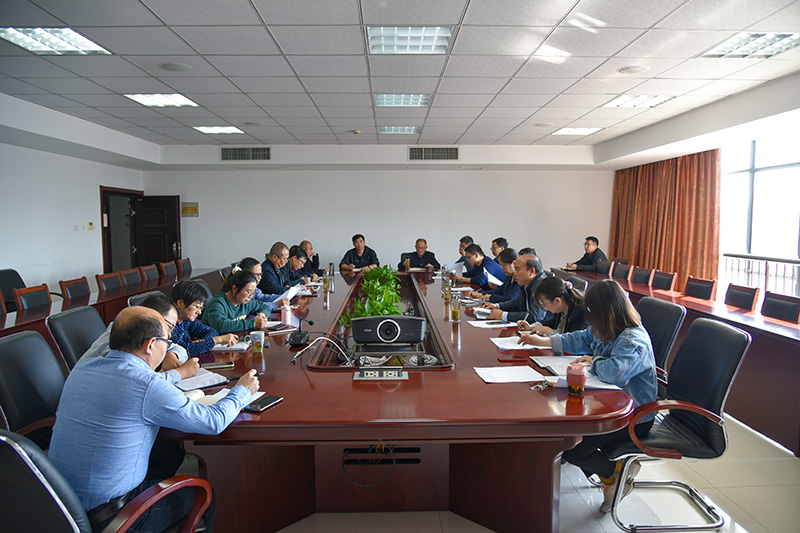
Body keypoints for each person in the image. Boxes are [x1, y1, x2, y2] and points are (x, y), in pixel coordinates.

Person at [49, 306, 260, 532]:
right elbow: (213, 422)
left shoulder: (83, 368)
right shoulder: (145, 383)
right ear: (150, 345)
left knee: (170, 452)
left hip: (60, 506)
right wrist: (242, 391)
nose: (167, 347)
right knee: (204, 493)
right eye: (166, 342)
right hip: (112, 517)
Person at [519, 280, 657, 513]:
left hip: (634, 416)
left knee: (573, 448)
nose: (591, 319)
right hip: (608, 404)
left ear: (607, 312)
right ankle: (612, 473)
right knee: (565, 435)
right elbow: (581, 338)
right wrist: (544, 341)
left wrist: (594, 360)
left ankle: (614, 475)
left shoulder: (633, 340)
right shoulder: (608, 328)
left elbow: (613, 372)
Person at [77, 293, 198, 384]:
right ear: (152, 317)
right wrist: (180, 373)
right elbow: (136, 382)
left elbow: (179, 348)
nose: (169, 335)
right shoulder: (122, 337)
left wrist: (172, 355)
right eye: (169, 327)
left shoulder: (142, 334)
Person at [170, 280, 238, 356]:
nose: (199, 312)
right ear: (180, 303)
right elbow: (186, 350)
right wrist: (218, 340)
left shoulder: (186, 321)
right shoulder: (170, 326)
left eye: (200, 308)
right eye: (196, 307)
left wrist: (204, 343)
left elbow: (212, 332)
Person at [484, 254, 550, 323]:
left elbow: (535, 316)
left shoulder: (543, 286)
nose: (515, 274)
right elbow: (516, 303)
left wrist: (503, 315)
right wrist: (497, 306)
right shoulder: (526, 283)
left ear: (531, 271)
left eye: (517, 270)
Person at [203, 270, 274, 333]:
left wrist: (260, 316)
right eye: (248, 292)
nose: (250, 296)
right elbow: (220, 326)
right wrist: (253, 323)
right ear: (234, 288)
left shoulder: (246, 301)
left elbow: (265, 307)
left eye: (253, 293)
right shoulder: (217, 303)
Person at [517, 276, 588, 339]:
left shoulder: (582, 312)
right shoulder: (562, 308)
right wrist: (532, 327)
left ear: (557, 301)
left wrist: (548, 331)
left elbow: (574, 341)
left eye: (544, 304)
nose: (545, 307)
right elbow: (551, 323)